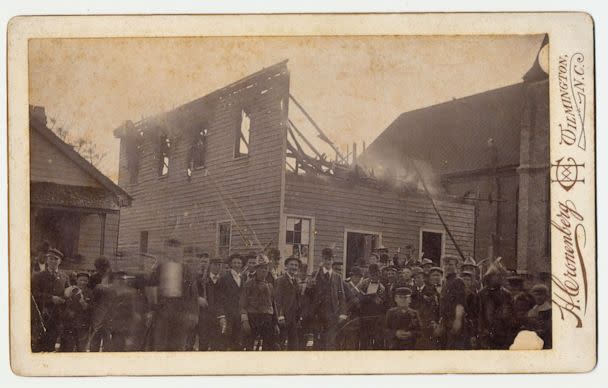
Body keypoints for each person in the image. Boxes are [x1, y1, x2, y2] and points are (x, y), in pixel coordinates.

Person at [150, 238, 199, 351]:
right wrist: (152, 309)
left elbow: (193, 294)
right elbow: (152, 289)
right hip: (163, 310)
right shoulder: (159, 268)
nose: (174, 252)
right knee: (161, 344)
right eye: (170, 249)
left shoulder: (187, 270)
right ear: (166, 251)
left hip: (181, 310)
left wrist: (194, 313)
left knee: (178, 344)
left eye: (176, 249)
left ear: (180, 251)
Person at [305, 247, 347, 350]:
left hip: (332, 315)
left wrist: (342, 313)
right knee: (318, 343)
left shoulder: (337, 277)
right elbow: (308, 295)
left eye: (330, 259)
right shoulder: (316, 275)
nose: (328, 261)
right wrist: (309, 287)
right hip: (318, 315)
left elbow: (341, 296)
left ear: (332, 260)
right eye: (325, 259)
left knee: (330, 343)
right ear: (322, 260)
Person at [31, 248, 69, 352]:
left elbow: (67, 293)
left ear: (60, 261)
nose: (53, 261)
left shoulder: (64, 277)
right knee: (38, 345)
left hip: (57, 316)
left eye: (56, 259)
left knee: (51, 344)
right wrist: (51, 298)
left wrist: (64, 298)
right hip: (41, 315)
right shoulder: (38, 276)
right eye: (50, 258)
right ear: (47, 260)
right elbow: (34, 294)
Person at [240, 255, 278, 351]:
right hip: (253, 318)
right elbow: (242, 304)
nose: (264, 271)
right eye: (261, 268)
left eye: (266, 269)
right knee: (249, 346)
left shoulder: (270, 286)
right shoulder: (248, 284)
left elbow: (273, 305)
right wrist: (245, 321)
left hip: (267, 319)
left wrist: (275, 323)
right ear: (256, 269)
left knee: (267, 346)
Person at [478, 260, 514, 349]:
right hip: (486, 332)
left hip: (502, 333)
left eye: (500, 275)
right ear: (489, 277)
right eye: (495, 275)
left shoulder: (506, 294)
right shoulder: (482, 294)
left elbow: (510, 314)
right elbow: (479, 314)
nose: (498, 277)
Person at [197, 257, 226, 351]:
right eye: (215, 265)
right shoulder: (202, 280)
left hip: (218, 317)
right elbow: (193, 294)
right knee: (203, 344)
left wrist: (222, 316)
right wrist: (199, 298)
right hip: (204, 316)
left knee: (216, 345)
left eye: (219, 265)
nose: (217, 267)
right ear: (210, 266)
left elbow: (223, 300)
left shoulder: (223, 281)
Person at [438, 255, 467, 349]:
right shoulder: (445, 283)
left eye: (450, 264)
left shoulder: (458, 281)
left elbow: (460, 303)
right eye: (445, 265)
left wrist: (458, 320)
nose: (447, 267)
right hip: (445, 322)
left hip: (453, 321)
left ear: (456, 267)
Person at [274, 256, 302, 350]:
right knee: (282, 342)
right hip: (284, 317)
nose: (294, 267)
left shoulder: (296, 281)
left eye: (296, 265)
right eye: (292, 265)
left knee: (294, 343)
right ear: (286, 266)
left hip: (294, 317)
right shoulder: (280, 280)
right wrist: (280, 316)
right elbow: (277, 299)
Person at [218, 253, 245, 350]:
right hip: (227, 315)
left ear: (242, 265)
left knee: (237, 343)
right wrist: (221, 316)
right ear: (231, 264)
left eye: (239, 263)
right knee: (226, 342)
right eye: (235, 263)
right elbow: (220, 298)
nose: (237, 265)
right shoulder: (224, 278)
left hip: (238, 315)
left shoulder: (242, 278)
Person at [357, 263, 387, 349]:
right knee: (364, 340)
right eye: (372, 274)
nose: (374, 277)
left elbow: (384, 301)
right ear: (369, 274)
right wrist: (366, 296)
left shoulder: (382, 286)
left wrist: (379, 299)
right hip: (365, 316)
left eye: (376, 274)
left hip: (377, 317)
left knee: (377, 340)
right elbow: (356, 295)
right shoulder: (363, 283)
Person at [61, 272, 93, 352]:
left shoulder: (90, 292)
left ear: (88, 282)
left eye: (85, 280)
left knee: (81, 349)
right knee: (67, 348)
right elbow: (63, 304)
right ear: (77, 280)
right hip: (70, 324)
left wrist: (83, 302)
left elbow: (91, 308)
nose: (83, 282)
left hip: (83, 325)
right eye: (81, 280)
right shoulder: (70, 290)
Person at [415, 266, 441, 349]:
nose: (435, 278)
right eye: (433, 275)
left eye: (438, 275)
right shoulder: (415, 291)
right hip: (419, 323)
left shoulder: (436, 290)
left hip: (432, 323)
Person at [460, 270, 480, 349]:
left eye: (468, 280)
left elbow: (475, 313)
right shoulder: (457, 294)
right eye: (464, 279)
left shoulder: (474, 296)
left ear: (471, 282)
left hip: (469, 325)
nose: (465, 282)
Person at [528, 284, 552, 349]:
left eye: (541, 295)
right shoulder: (533, 310)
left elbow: (548, 328)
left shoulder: (549, 310)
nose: (538, 297)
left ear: (546, 296)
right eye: (536, 295)